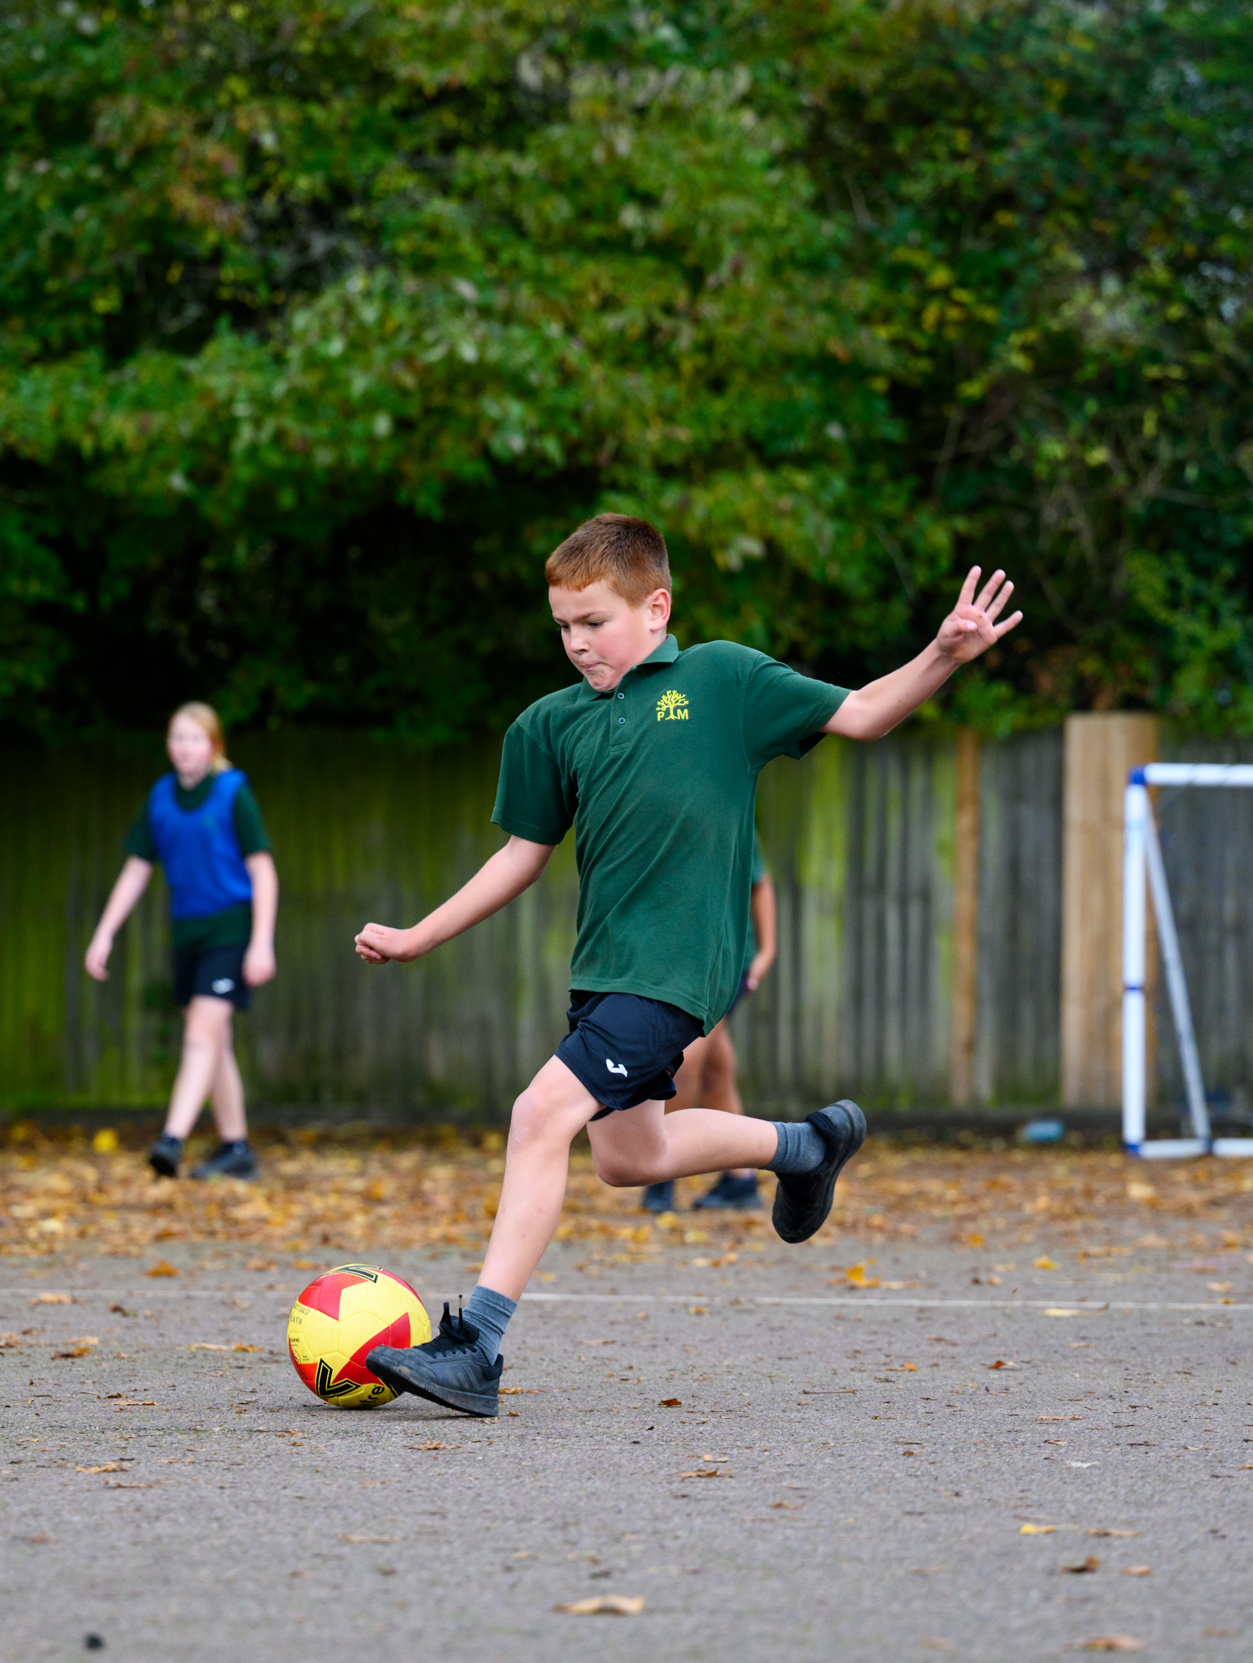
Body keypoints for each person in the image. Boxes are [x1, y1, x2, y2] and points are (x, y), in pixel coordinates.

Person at [352, 514, 1020, 1414]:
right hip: (606, 975)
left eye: (595, 622)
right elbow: (521, 855)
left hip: (674, 973)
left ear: (656, 607)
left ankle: (477, 1344)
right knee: (629, 1158)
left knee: (539, 1112)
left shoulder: (722, 680)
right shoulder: (548, 727)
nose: (576, 642)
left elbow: (863, 713)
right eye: (562, 626)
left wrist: (942, 653)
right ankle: (807, 1146)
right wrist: (417, 935)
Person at [83, 702, 278, 1181]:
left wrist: (261, 942)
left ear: (213, 745)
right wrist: (105, 933)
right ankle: (236, 1148)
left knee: (199, 1036)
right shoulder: (161, 799)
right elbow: (136, 869)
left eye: (195, 738)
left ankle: (172, 1139)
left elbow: (263, 870)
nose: (184, 748)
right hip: (186, 932)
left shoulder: (232, 794)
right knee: (216, 1041)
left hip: (230, 928)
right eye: (177, 738)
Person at [641, 841, 775, 1213]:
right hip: (683, 962)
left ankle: (660, 1173)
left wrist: (767, 951)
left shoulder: (722, 805)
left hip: (723, 964)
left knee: (684, 1061)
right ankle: (740, 1180)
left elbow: (759, 883)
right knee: (717, 1070)